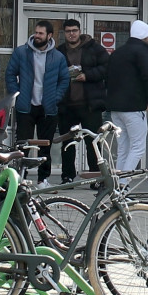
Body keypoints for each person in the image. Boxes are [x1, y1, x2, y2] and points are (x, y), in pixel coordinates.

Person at [5, 20, 70, 186]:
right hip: (25, 106)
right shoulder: (21, 53)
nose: (37, 36)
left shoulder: (58, 57)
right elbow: (10, 74)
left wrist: (56, 97)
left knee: (45, 145)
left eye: (41, 33)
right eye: (36, 32)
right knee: (22, 144)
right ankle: (20, 177)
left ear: (49, 36)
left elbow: (64, 80)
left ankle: (43, 179)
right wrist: (16, 94)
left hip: (48, 107)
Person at [55, 19, 109, 183]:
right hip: (67, 105)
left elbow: (107, 67)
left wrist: (88, 75)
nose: (72, 34)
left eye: (74, 30)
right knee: (67, 143)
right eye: (68, 31)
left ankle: (96, 178)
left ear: (80, 31)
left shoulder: (95, 48)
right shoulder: (59, 51)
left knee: (93, 142)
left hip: (89, 104)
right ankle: (68, 176)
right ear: (64, 33)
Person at [106, 20, 148, 176]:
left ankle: (117, 184)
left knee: (123, 148)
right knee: (137, 147)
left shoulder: (117, 53)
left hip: (115, 109)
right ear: (145, 37)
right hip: (134, 108)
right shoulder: (143, 52)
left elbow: (108, 78)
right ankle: (123, 184)